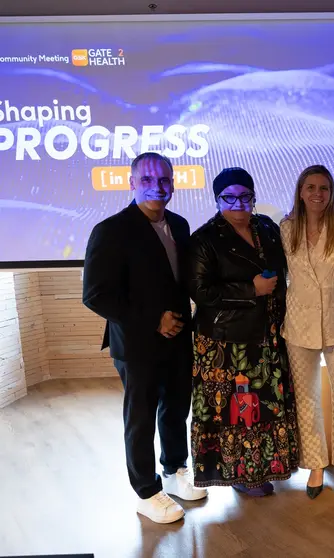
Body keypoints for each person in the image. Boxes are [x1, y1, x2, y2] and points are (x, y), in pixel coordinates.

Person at [82, 152, 207, 524]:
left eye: (165, 180)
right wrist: (153, 321)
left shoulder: (181, 225)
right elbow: (96, 295)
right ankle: (146, 491)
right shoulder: (110, 230)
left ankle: (173, 470)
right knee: (140, 418)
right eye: (148, 180)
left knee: (175, 408)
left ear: (174, 183)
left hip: (178, 338)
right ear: (132, 182)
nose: (158, 187)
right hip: (137, 343)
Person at [188, 167, 300, 497]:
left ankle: (266, 466)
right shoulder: (204, 238)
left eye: (245, 196)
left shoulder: (266, 227)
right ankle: (240, 474)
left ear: (253, 196)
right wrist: (251, 290)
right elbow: (200, 291)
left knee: (264, 407)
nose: (238, 203)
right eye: (229, 197)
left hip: (266, 334)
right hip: (225, 342)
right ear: (217, 199)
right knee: (233, 412)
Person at [280, 165, 334, 499]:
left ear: (331, 192)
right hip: (299, 325)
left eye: (324, 188)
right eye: (310, 187)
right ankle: (315, 464)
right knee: (307, 400)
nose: (317, 194)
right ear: (300, 191)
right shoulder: (286, 229)